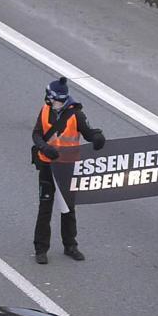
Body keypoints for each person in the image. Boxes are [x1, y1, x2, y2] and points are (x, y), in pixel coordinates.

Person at [32, 77, 106, 264]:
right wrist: (44, 147)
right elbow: (37, 134)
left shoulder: (76, 115)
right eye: (53, 100)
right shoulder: (45, 110)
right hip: (47, 167)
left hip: (67, 168)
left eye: (57, 100)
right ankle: (41, 249)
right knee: (45, 208)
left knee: (68, 208)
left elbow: (89, 133)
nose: (53, 103)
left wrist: (98, 138)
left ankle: (70, 246)